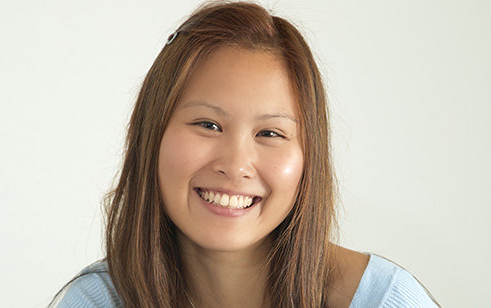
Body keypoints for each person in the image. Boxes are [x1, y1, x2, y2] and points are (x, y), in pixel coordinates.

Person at [50, 2, 440, 307]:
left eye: (270, 133)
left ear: (308, 160)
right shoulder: (97, 301)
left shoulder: (380, 301)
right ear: (152, 136)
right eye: (207, 125)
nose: (236, 165)